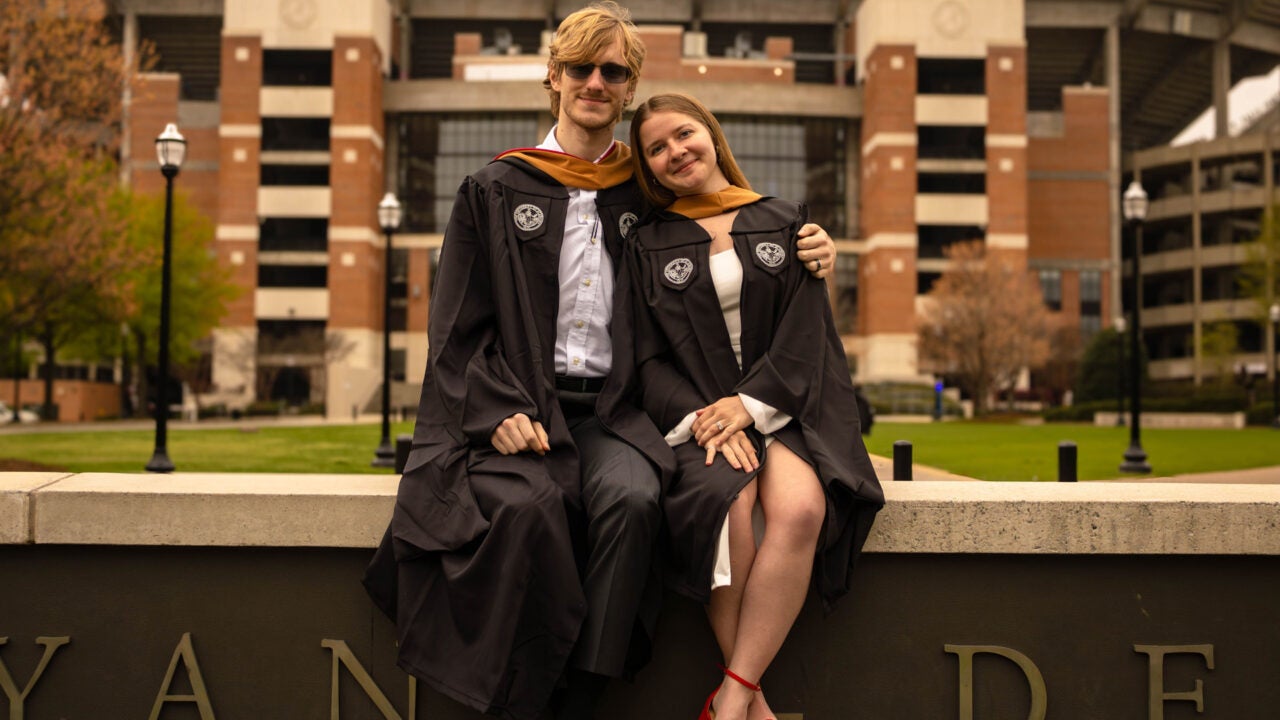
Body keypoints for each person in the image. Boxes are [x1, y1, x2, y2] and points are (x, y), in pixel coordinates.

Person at [362, 5, 838, 719]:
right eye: (580, 68)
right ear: (552, 77)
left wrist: (813, 249)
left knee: (635, 498)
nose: (595, 81)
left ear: (628, 86)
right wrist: (496, 412)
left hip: (617, 411)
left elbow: (728, 251)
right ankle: (528, 692)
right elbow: (454, 328)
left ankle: (586, 688)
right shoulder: (493, 190)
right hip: (526, 403)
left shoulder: (646, 196)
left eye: (612, 72)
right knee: (530, 507)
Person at [626, 93, 884, 720]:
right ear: (647, 168)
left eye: (683, 134)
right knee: (729, 509)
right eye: (656, 149)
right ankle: (753, 701)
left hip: (784, 411)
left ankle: (735, 694)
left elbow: (808, 332)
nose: (674, 152)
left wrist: (751, 404)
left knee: (799, 510)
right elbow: (643, 356)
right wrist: (708, 418)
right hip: (704, 422)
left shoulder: (783, 219)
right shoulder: (646, 243)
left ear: (711, 134)